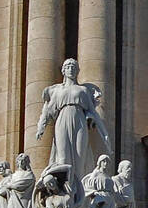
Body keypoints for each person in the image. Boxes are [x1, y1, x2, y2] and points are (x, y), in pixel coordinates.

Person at [36, 58, 111, 186]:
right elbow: (47, 111)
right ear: (63, 71)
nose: (71, 69)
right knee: (63, 157)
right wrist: (41, 128)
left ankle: (79, 193)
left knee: (79, 156)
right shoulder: (56, 90)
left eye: (73, 67)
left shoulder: (83, 91)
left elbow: (94, 114)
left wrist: (105, 134)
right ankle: (65, 189)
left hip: (79, 122)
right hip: (62, 122)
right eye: (68, 67)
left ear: (77, 71)